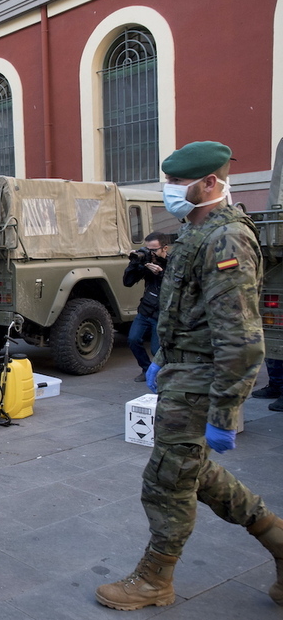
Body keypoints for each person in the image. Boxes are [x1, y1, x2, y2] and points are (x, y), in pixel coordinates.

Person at [96, 142, 283, 610]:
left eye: (179, 182)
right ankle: (279, 541)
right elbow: (183, 314)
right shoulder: (193, 231)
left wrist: (225, 412)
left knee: (166, 482)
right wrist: (161, 358)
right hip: (183, 375)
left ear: (211, 183)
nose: (170, 190)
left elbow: (240, 338)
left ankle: (155, 579)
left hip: (202, 385)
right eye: (170, 181)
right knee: (192, 472)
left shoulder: (227, 239)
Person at [123, 232, 170, 382]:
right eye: (147, 249)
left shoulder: (173, 264)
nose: (151, 253)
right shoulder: (146, 263)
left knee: (157, 350)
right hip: (145, 310)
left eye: (154, 250)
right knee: (133, 339)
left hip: (162, 314)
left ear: (165, 248)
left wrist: (160, 273)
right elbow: (127, 282)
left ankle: (162, 374)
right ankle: (146, 369)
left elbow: (177, 287)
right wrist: (135, 264)